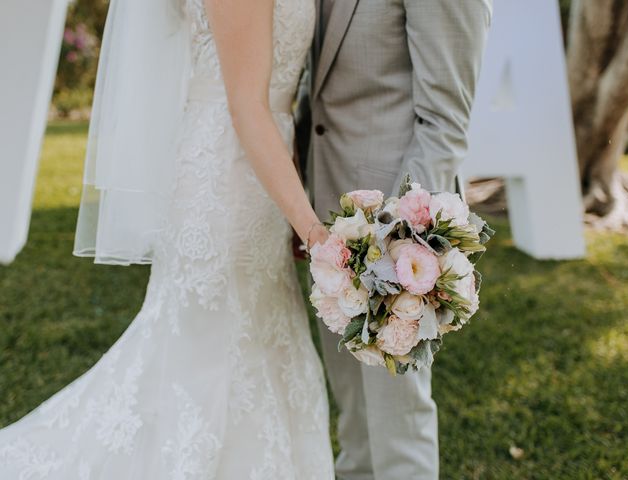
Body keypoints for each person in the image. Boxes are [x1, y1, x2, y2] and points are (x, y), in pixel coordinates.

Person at [0, 0, 335, 478]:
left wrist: (293, 203)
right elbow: (246, 105)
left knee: (260, 336)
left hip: (262, 174)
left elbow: (275, 99)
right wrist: (315, 229)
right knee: (208, 351)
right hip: (226, 178)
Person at [296, 1, 492, 478]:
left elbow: (445, 122)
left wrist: (403, 240)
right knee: (354, 410)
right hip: (329, 213)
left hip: (396, 230)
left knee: (397, 411)